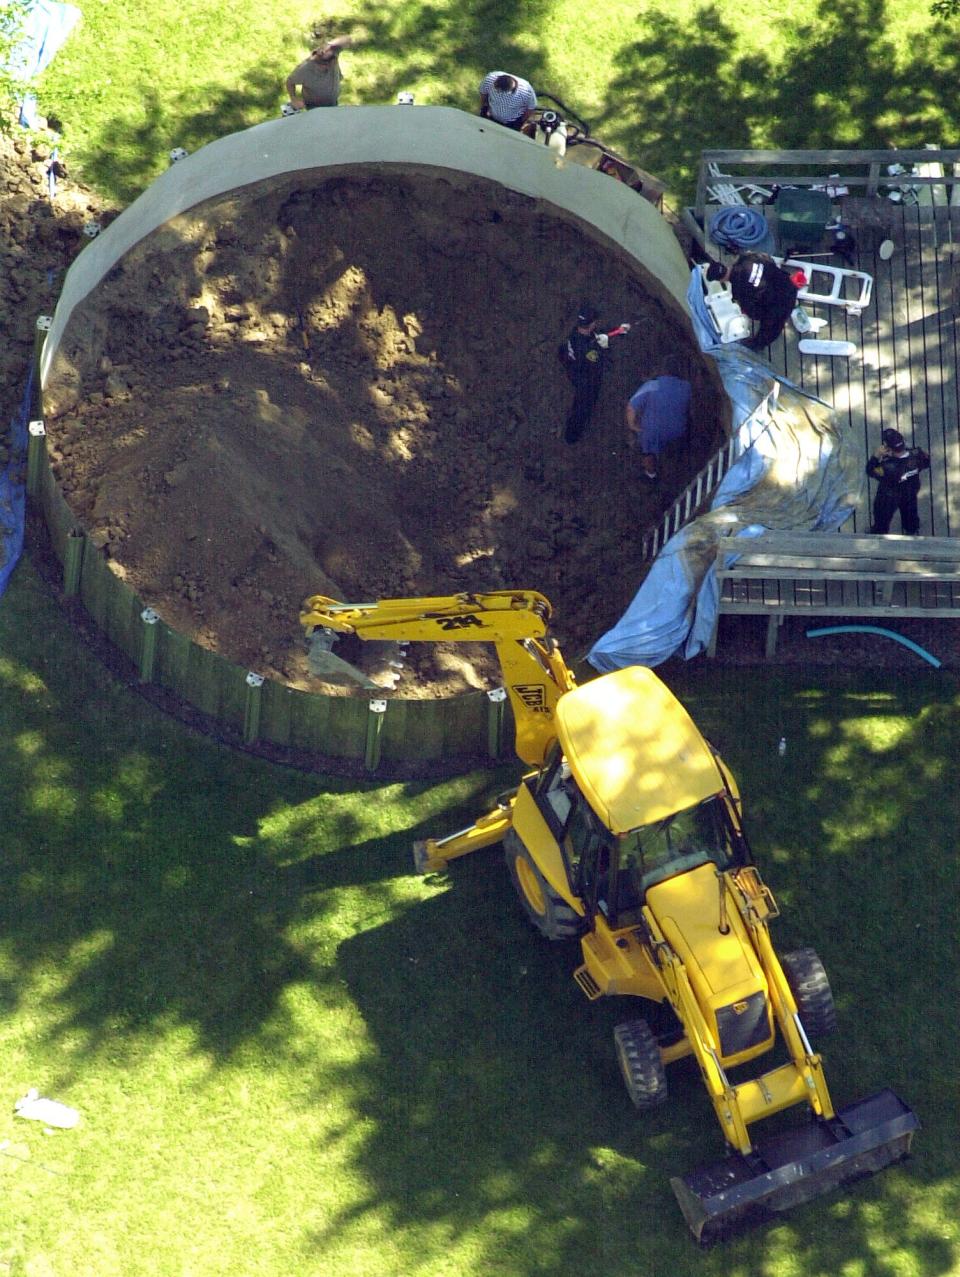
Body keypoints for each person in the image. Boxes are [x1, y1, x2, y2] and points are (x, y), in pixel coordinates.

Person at [557, 304, 630, 445]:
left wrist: (619, 330)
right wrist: (605, 347)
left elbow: (601, 334)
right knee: (583, 407)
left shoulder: (577, 333)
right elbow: (603, 363)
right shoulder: (588, 350)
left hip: (574, 364)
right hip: (584, 379)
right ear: (590, 325)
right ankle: (571, 436)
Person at [707, 253, 800, 351]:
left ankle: (756, 346)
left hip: (782, 304)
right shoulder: (747, 258)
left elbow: (754, 314)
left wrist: (746, 309)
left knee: (769, 328)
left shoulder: (738, 290)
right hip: (788, 284)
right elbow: (769, 259)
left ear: (721, 280)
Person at [625, 362, 692, 483]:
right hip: (678, 432)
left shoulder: (652, 385)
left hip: (654, 431)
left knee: (645, 444)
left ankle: (651, 473)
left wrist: (632, 426)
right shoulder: (687, 386)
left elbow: (631, 407)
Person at [865, 428, 930, 535]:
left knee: (882, 515)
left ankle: (879, 532)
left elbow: (870, 470)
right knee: (910, 512)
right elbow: (926, 462)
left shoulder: (887, 467)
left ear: (887, 447)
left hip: (889, 496)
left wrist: (876, 455)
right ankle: (912, 530)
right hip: (910, 490)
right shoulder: (918, 454)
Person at [286, 36, 355, 110]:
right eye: (327, 65)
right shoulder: (305, 69)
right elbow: (290, 81)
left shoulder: (331, 55)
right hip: (314, 107)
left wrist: (329, 45)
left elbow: (347, 39)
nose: (332, 65)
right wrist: (294, 99)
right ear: (319, 63)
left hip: (333, 103)